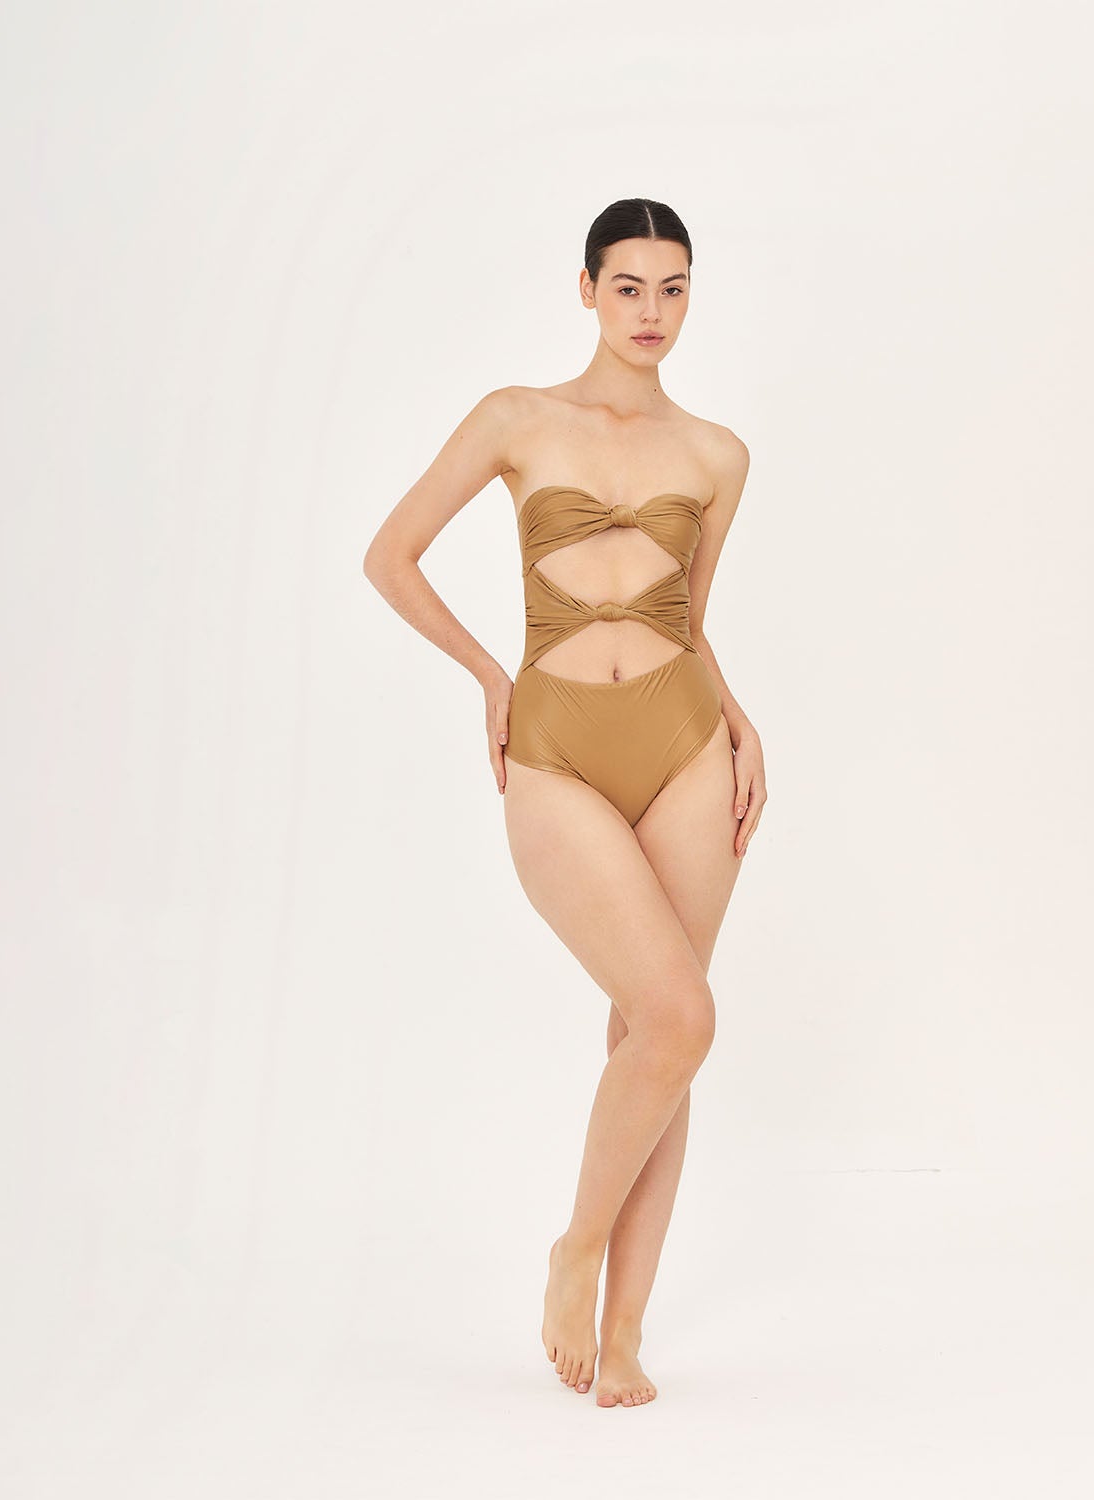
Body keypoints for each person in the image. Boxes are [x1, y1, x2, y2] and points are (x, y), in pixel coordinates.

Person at [362, 198, 767, 1408]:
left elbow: (689, 619)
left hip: (687, 745)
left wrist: (740, 722)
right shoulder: (517, 419)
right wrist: (489, 675)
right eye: (629, 286)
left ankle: (625, 1333)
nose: (652, 311)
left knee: (660, 1036)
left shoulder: (718, 455)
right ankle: (574, 1252)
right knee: (677, 1015)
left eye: (674, 288)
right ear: (586, 289)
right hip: (555, 748)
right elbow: (390, 556)